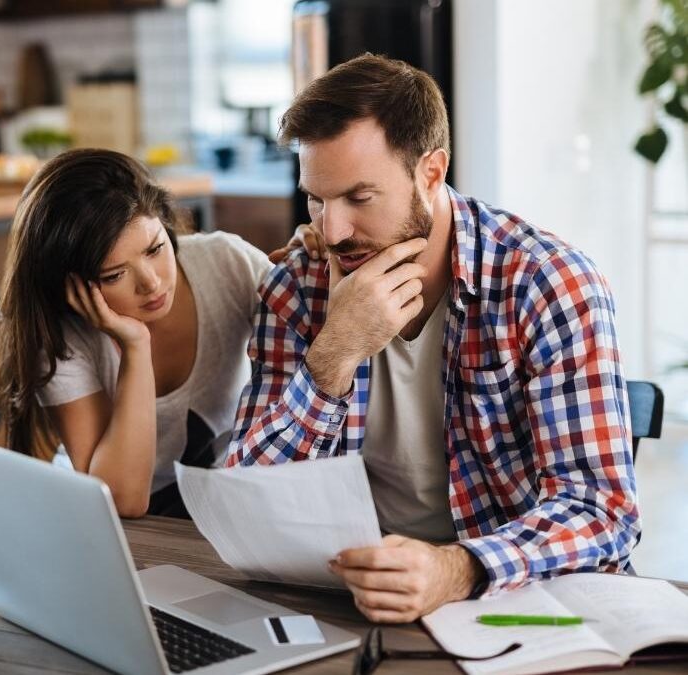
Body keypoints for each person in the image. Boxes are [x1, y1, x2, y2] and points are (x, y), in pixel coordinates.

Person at [228, 54, 639, 623]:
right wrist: (334, 354)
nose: (333, 230)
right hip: (351, 599)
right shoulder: (297, 287)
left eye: (358, 198)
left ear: (431, 171)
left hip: (514, 598)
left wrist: (455, 568)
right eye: (317, 200)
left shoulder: (548, 285)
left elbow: (600, 511)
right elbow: (244, 504)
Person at [0, 148, 321, 518]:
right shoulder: (62, 338)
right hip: (114, 523)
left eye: (154, 249)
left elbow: (316, 342)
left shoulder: (226, 264)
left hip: (218, 505)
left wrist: (310, 265)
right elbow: (121, 501)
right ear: (71, 285)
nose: (150, 283)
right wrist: (135, 346)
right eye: (114, 275)